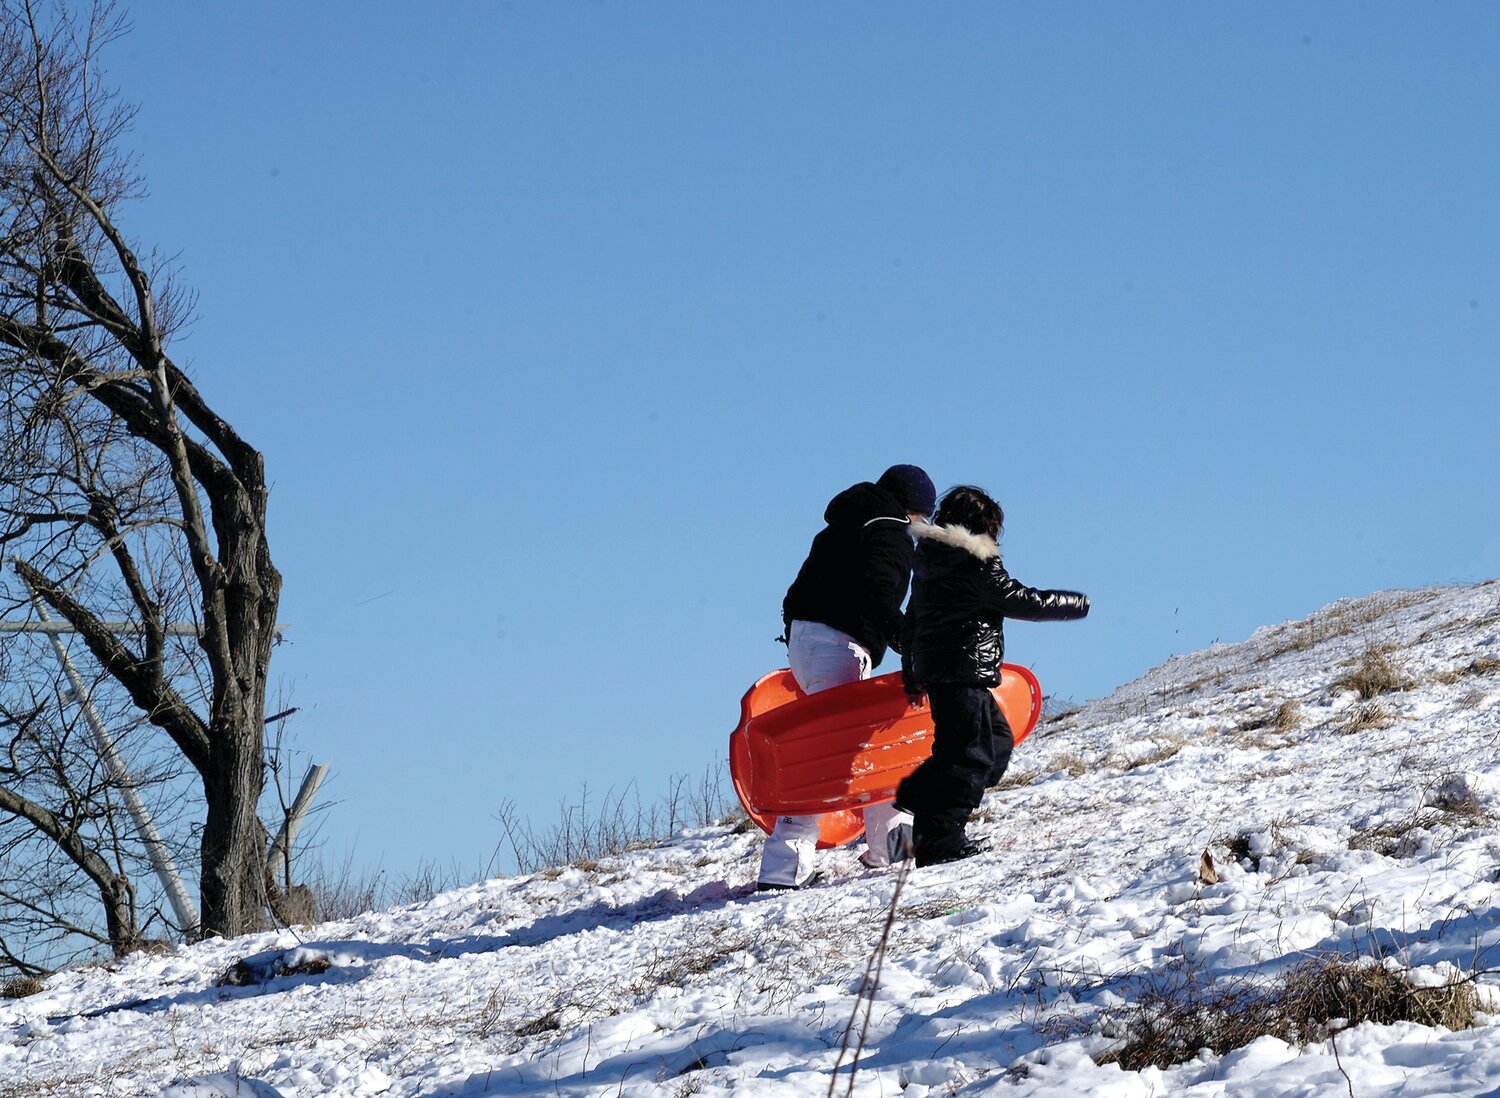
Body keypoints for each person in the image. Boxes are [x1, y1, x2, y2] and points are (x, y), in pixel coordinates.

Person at [756, 463, 937, 891]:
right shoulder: (890, 531)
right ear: (914, 510)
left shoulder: (846, 523)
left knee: (861, 742)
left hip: (807, 638)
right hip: (840, 642)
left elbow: (797, 589)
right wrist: (907, 640)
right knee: (835, 751)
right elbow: (876, 593)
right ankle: (785, 867)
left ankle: (891, 846)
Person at [896, 486, 1089, 868]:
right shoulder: (972, 561)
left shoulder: (930, 559)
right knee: (969, 756)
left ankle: (922, 798)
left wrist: (913, 671)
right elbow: (1021, 600)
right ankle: (940, 837)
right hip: (963, 671)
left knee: (994, 742)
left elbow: (912, 619)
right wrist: (1075, 604)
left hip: (947, 671)